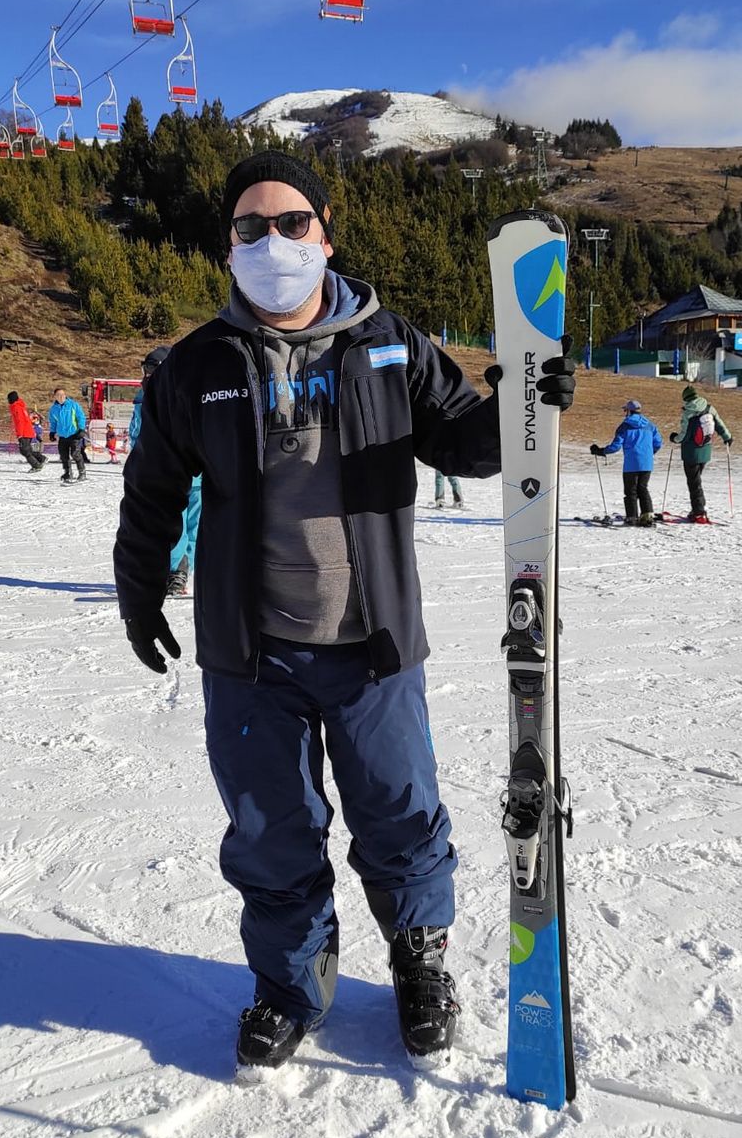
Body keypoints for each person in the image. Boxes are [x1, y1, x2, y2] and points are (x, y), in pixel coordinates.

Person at [114, 150, 576, 1073]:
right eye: (251, 228)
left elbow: (459, 440)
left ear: (325, 233)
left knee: (401, 813)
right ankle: (290, 984)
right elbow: (152, 488)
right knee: (270, 827)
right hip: (252, 654)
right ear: (228, 247)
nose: (272, 242)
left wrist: (524, 403)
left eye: (291, 224)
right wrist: (137, 590)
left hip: (374, 643)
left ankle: (419, 960)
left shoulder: (387, 341)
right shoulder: (198, 363)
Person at [127, 345, 202, 596]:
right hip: (166, 475)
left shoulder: (189, 394)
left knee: (193, 524)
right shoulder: (144, 399)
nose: (147, 375)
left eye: (152, 369)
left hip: (195, 474)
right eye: (145, 369)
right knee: (174, 524)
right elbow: (137, 435)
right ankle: (176, 570)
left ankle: (184, 571)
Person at [590, 398, 662, 526]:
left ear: (629, 411)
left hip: (631, 464)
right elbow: (658, 443)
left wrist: (601, 451)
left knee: (631, 491)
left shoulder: (624, 426)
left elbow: (616, 446)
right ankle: (647, 515)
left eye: (625, 410)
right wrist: (649, 454)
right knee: (643, 488)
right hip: (647, 463)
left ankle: (632, 517)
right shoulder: (650, 425)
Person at [670, 385, 732, 524]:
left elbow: (684, 435)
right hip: (705, 450)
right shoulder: (709, 408)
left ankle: (698, 512)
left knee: (694, 483)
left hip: (690, 453)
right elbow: (719, 423)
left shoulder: (688, 412)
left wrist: (674, 438)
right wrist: (727, 437)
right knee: (697, 481)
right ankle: (698, 509)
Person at [48, 387, 87, 483]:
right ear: (55, 397)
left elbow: (81, 417)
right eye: (58, 395)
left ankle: (82, 472)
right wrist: (52, 432)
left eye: (62, 395)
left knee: (75, 454)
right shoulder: (53, 409)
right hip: (62, 435)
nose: (61, 397)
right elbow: (53, 422)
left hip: (74, 434)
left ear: (65, 395)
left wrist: (81, 429)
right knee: (63, 455)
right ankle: (67, 472)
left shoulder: (73, 405)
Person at [7, 391, 46, 471]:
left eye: (9, 399)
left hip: (24, 433)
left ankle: (36, 465)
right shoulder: (20, 406)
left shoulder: (16, 407)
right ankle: (41, 458)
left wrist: (20, 434)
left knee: (25, 451)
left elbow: (20, 422)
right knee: (27, 450)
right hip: (28, 431)